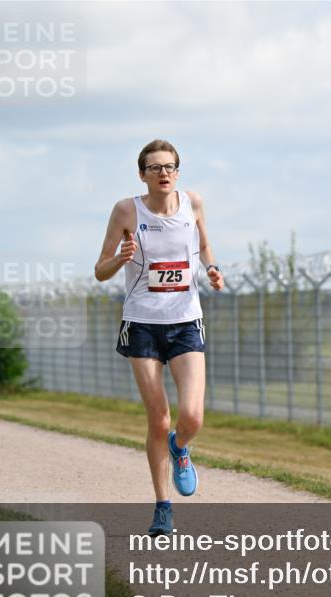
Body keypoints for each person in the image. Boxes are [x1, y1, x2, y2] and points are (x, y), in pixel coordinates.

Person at [94, 139, 224, 536]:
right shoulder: (126, 210)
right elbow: (100, 269)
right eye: (155, 168)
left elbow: (202, 244)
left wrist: (213, 267)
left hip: (186, 321)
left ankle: (180, 448)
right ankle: (162, 506)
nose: (163, 173)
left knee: (192, 417)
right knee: (158, 418)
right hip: (143, 324)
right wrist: (121, 257)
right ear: (142, 174)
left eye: (170, 167)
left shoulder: (193, 203)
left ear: (178, 172)